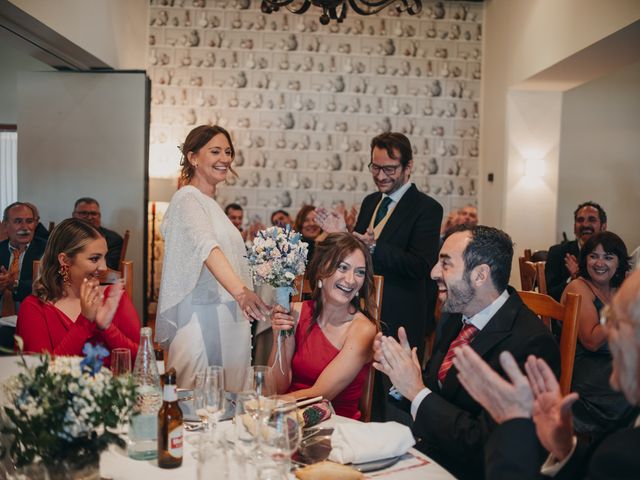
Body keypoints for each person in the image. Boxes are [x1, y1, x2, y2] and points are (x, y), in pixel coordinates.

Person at [373, 225, 560, 480]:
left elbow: (485, 444)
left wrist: (417, 391)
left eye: (445, 264)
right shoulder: (455, 317)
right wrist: (403, 376)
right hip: (430, 455)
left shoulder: (531, 344)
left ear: (480, 275)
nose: (433, 272)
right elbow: (438, 395)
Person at [453, 269, 640, 480]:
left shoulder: (625, 456)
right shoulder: (626, 431)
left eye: (615, 321)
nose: (608, 335)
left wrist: (513, 423)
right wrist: (566, 450)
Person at [155, 125, 269, 390]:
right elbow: (207, 247)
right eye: (215, 151)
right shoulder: (186, 199)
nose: (225, 159)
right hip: (201, 319)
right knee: (198, 400)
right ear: (193, 157)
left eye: (228, 152)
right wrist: (241, 293)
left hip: (226, 316)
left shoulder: (212, 205)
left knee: (227, 398)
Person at [317, 132, 443, 355]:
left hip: (399, 315)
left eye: (389, 169)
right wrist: (342, 233)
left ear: (408, 166)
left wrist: (374, 248)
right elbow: (357, 252)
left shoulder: (427, 208)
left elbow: (421, 266)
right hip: (362, 312)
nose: (381, 176)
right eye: (375, 167)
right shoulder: (370, 201)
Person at [269, 233, 378, 419]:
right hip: (284, 417)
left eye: (360, 272)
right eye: (342, 268)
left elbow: (320, 394)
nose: (351, 280)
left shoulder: (363, 330)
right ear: (321, 270)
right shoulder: (295, 312)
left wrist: (266, 406)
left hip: (335, 428)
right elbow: (276, 387)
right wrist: (280, 337)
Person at [15, 218, 140, 364]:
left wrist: (107, 328)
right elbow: (41, 373)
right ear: (65, 260)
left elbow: (141, 360)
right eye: (94, 259)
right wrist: (84, 322)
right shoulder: (35, 307)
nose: (104, 267)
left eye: (104, 257)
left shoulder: (114, 297)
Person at [562, 231, 634, 435]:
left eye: (608, 257)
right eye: (593, 256)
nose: (599, 263)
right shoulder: (578, 287)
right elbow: (591, 341)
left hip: (611, 360)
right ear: (585, 259)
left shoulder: (615, 288)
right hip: (586, 371)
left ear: (619, 263)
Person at [546, 201, 607, 301]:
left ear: (603, 227)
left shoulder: (611, 256)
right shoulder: (557, 252)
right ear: (574, 227)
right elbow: (549, 296)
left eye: (592, 220)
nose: (585, 224)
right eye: (580, 220)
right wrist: (572, 279)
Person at [1, 202, 47, 316]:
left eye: (29, 221)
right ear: (5, 225)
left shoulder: (47, 250)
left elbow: (51, 284)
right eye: (18, 221)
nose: (25, 227)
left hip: (34, 316)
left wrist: (15, 284)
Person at [72, 197, 124, 271]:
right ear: (74, 215)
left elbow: (110, 266)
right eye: (84, 213)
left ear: (99, 216)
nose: (89, 217)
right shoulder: (62, 236)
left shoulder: (114, 239)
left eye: (93, 214)